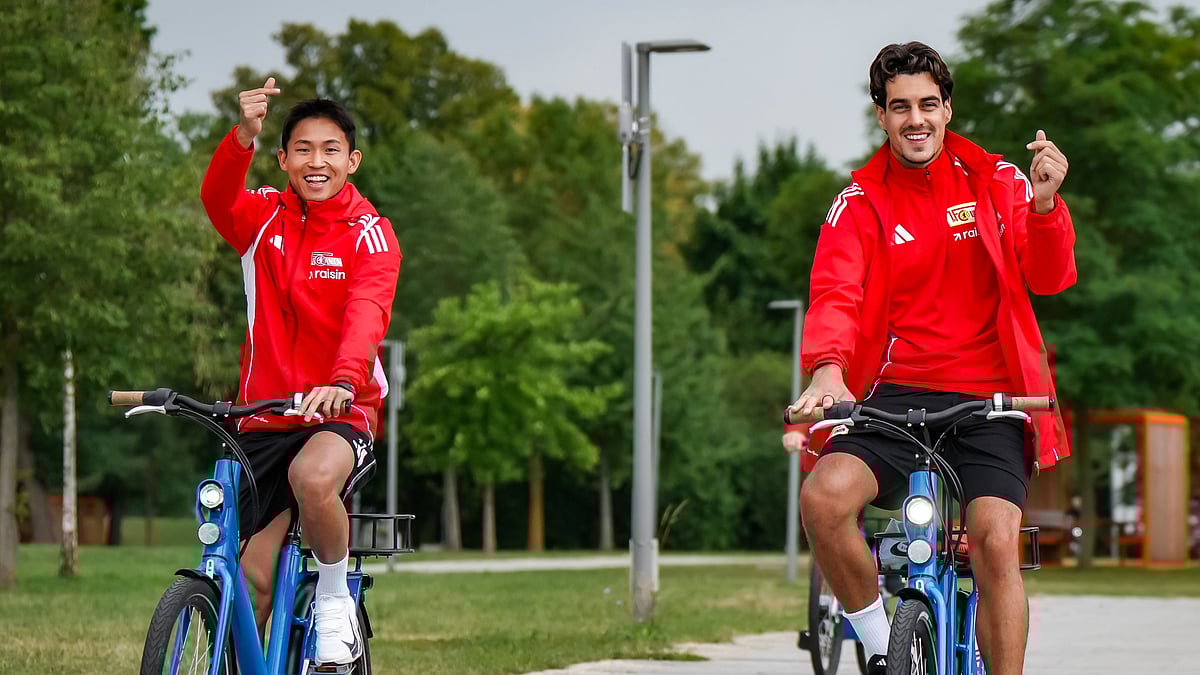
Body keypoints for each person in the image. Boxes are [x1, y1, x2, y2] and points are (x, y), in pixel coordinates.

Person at [788, 43, 1075, 675]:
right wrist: (829, 369)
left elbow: (1050, 277)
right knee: (824, 500)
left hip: (991, 401)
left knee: (997, 542)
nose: (914, 119)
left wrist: (1047, 207)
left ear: (947, 109)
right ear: (881, 117)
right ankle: (879, 646)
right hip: (896, 396)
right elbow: (836, 291)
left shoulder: (999, 181)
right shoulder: (860, 201)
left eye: (926, 104)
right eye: (899, 108)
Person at [201, 77, 402, 666]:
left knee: (315, 480)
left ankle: (335, 600)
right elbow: (217, 199)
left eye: (331, 149)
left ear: (352, 160)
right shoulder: (261, 217)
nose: (317, 162)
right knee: (251, 580)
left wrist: (342, 382)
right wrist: (241, 137)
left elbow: (367, 313)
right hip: (262, 418)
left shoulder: (371, 233)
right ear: (284, 158)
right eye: (304, 150)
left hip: (342, 413)